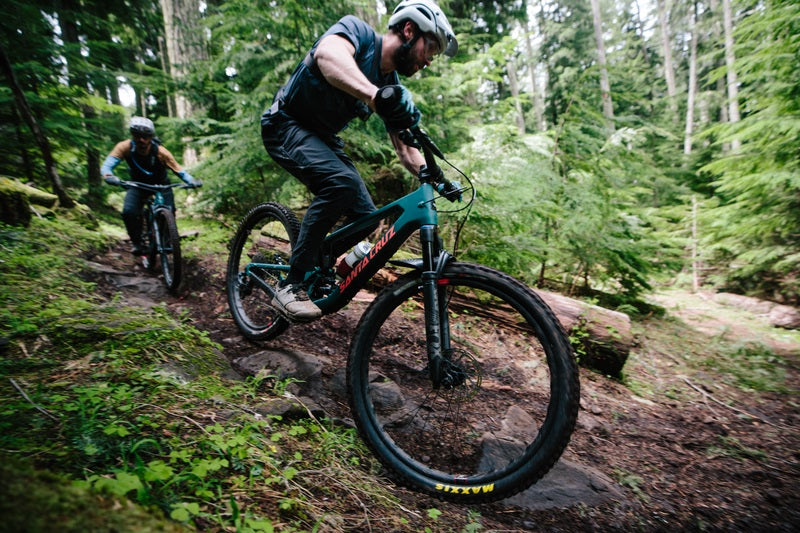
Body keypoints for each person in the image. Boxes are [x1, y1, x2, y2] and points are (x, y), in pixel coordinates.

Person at [261, 0, 458, 321]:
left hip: (321, 138)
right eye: (431, 48)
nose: (429, 61)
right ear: (409, 30)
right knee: (340, 184)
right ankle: (291, 285)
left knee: (366, 215)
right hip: (286, 123)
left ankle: (316, 266)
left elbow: (406, 150)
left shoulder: (390, 86)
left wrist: (436, 177)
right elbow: (328, 56)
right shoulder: (358, 32)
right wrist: (373, 95)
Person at [101, 116, 202, 256]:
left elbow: (179, 170)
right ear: (132, 135)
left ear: (151, 137)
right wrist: (108, 176)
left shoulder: (161, 152)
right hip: (137, 184)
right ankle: (137, 242)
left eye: (145, 136)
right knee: (129, 212)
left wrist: (191, 181)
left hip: (161, 184)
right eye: (137, 136)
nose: (142, 140)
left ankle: (167, 239)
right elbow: (108, 164)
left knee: (169, 210)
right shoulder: (124, 147)